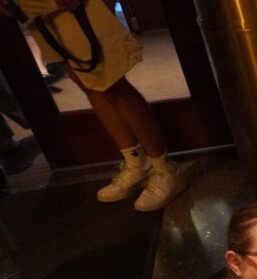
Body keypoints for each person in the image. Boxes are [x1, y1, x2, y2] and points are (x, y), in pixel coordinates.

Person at [0, 0, 186, 211]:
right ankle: (137, 164)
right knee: (90, 88)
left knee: (113, 85)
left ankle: (165, 170)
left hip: (67, 7)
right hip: (33, 12)